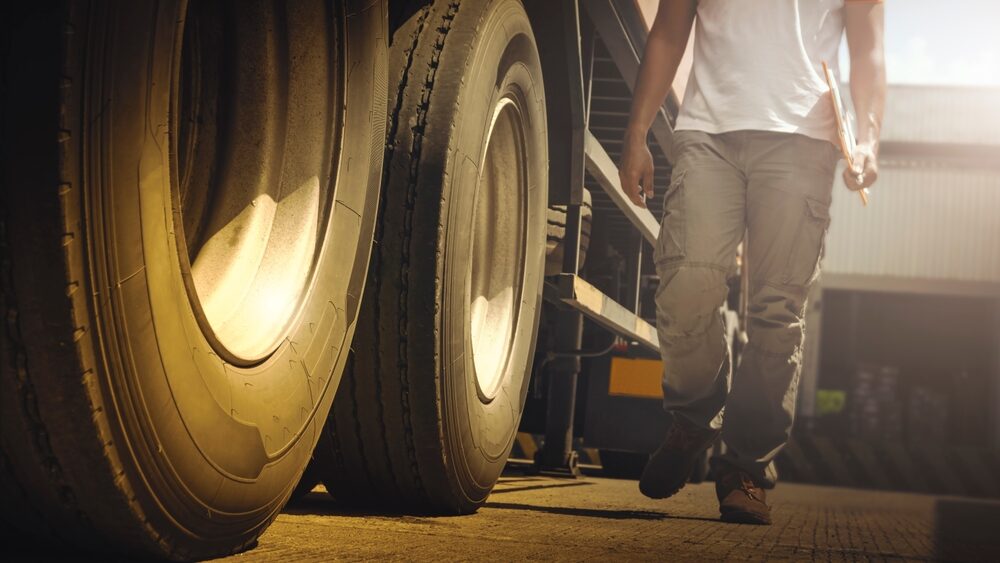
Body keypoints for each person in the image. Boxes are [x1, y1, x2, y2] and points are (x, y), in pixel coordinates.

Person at [619, 0, 885, 525]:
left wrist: (870, 137)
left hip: (805, 141)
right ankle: (695, 415)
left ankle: (745, 466)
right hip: (707, 131)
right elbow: (671, 29)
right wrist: (636, 133)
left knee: (778, 311)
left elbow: (868, 47)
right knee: (686, 281)